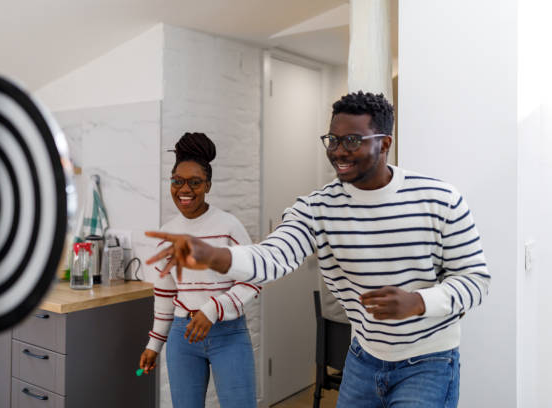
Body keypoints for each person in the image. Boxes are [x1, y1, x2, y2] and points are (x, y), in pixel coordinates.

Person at [146, 92, 491, 407]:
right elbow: (273, 256)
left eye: (352, 141)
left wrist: (418, 302)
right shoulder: (316, 208)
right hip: (363, 357)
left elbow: (476, 279)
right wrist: (212, 255)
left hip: (428, 361)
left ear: (384, 143)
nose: (338, 151)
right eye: (333, 140)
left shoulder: (439, 199)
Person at [139, 132, 258, 408]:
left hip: (227, 333)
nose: (185, 189)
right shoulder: (167, 233)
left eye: (195, 182)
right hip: (183, 336)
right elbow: (165, 294)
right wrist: (154, 344)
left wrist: (214, 308)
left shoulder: (229, 226)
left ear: (208, 185)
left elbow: (255, 278)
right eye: (177, 181)